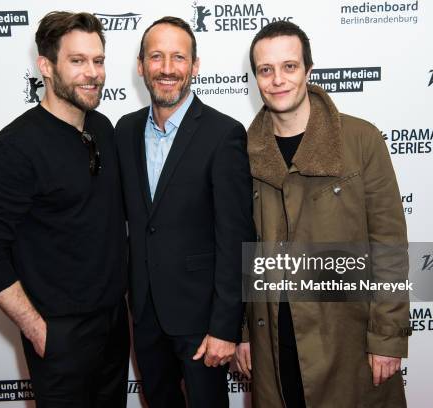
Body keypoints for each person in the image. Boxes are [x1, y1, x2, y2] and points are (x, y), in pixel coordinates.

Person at [235, 21, 411, 408]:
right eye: (266, 70)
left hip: (346, 340)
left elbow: (390, 247)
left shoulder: (360, 140)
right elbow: (242, 249)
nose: (278, 79)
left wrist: (388, 337)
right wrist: (245, 330)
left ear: (309, 71)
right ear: (256, 78)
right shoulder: (242, 152)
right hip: (273, 344)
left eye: (289, 66)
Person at [0, 11, 128, 408]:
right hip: (61, 335)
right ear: (46, 67)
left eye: (98, 60)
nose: (92, 73)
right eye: (77, 61)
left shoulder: (103, 128)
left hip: (114, 327)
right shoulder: (11, 149)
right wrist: (38, 330)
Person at [114, 16, 255, 408]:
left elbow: (236, 237)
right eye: (156, 56)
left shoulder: (222, 133)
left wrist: (225, 328)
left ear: (194, 66)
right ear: (141, 66)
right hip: (144, 314)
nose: (167, 68)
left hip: (202, 322)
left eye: (179, 57)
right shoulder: (123, 131)